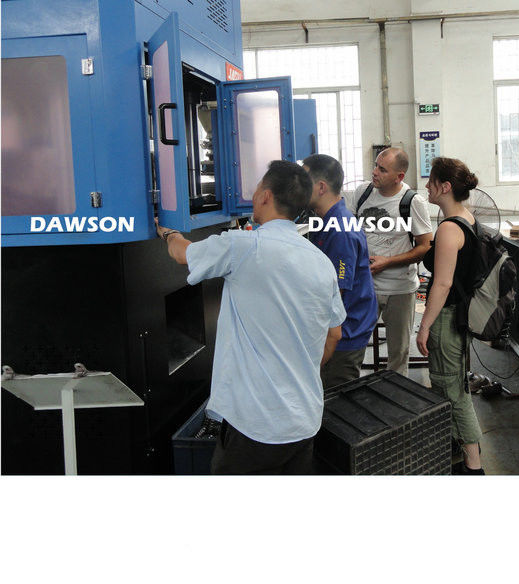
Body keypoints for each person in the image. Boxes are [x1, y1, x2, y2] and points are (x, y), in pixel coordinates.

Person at [156, 160, 346, 475]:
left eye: (257, 187)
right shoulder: (321, 262)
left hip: (255, 425)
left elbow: (182, 254)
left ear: (265, 196)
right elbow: (334, 334)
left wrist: (168, 230)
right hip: (305, 420)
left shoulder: (243, 247)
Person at [415, 157, 484, 474]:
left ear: (444, 187)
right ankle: (460, 447)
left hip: (446, 318)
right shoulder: (468, 219)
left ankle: (473, 466)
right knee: (453, 385)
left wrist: (424, 326)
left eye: (431, 181)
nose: (426, 186)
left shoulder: (448, 228)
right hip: (461, 316)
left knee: (453, 392)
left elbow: (441, 284)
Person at [349, 147, 432, 377]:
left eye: (382, 169)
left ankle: (396, 393)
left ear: (399, 176)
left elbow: (425, 246)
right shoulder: (363, 192)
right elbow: (351, 231)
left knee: (398, 353)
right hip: (365, 287)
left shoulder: (411, 202)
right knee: (352, 348)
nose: (375, 172)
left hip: (399, 290)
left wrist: (388, 262)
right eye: (376, 165)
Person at [303, 154, 377, 388]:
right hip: (343, 326)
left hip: (345, 333)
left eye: (303, 182)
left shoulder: (340, 230)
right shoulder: (327, 221)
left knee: (336, 396)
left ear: (321, 187)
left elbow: (337, 293)